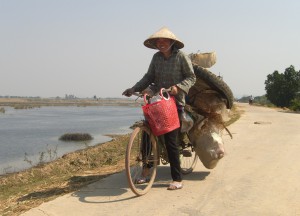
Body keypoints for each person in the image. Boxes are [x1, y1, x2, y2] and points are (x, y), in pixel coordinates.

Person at [122, 27, 196, 190]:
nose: (161, 43)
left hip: (174, 100)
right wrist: (133, 89)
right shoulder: (156, 57)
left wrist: (179, 87)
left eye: (164, 41)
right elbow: (149, 77)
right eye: (158, 41)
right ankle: (146, 171)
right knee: (147, 134)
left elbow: (191, 77)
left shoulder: (181, 57)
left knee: (171, 141)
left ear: (171, 42)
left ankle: (177, 179)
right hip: (157, 100)